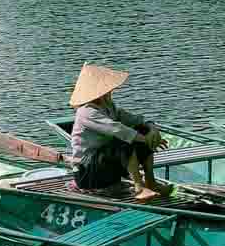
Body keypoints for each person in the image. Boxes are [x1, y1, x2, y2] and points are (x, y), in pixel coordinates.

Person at [67, 63, 166, 201]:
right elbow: (117, 129)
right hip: (88, 174)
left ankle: (151, 181)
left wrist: (152, 130)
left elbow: (137, 120)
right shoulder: (86, 112)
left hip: (107, 167)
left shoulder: (109, 106)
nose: (110, 91)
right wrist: (147, 139)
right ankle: (139, 188)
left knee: (142, 131)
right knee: (123, 141)